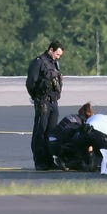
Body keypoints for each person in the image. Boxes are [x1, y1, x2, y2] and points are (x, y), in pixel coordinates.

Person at [26, 41, 64, 170]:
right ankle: (40, 161)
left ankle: (49, 160)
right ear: (51, 50)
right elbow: (31, 82)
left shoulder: (54, 64)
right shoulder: (38, 62)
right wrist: (37, 98)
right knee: (40, 132)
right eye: (57, 54)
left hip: (53, 102)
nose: (58, 57)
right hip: (43, 102)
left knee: (51, 132)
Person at [48, 102, 94, 170]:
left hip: (52, 141)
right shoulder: (77, 123)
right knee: (81, 144)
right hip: (58, 144)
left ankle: (64, 159)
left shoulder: (73, 117)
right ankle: (64, 161)